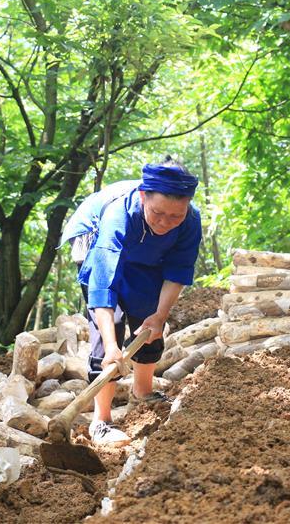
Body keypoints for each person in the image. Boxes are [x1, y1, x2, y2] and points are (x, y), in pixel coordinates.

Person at [61, 157, 202, 446]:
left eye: (175, 216)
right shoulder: (118, 216)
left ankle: (142, 392)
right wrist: (113, 347)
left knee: (149, 315)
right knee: (108, 325)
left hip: (147, 254)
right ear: (142, 197)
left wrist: (160, 315)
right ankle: (101, 420)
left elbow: (177, 272)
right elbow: (104, 284)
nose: (165, 222)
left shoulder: (190, 222)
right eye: (158, 213)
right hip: (95, 239)